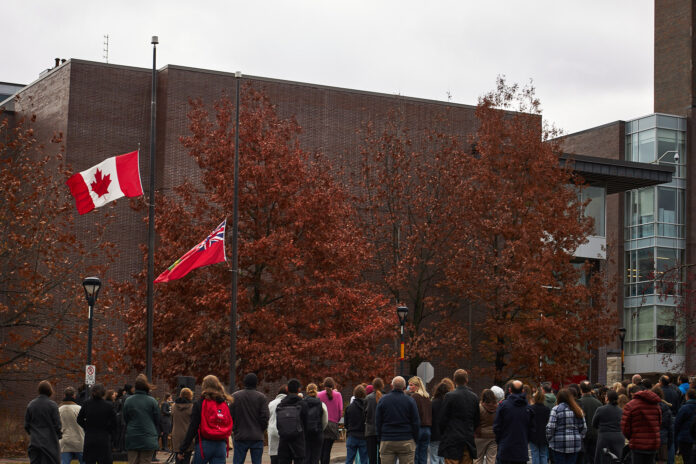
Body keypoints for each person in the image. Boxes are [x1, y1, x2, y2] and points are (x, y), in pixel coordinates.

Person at [178, 375, 234, 464]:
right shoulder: (224, 403)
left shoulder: (200, 403)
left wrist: (183, 449)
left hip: (204, 444)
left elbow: (193, 427)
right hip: (221, 444)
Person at [438, 369, 480, 464]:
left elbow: (442, 420)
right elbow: (477, 420)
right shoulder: (474, 397)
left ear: (454, 380)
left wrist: (445, 434)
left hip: (452, 440)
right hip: (467, 440)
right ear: (467, 380)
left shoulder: (449, 396)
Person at [375, 376, 420, 464]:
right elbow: (416, 422)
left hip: (387, 438)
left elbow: (378, 421)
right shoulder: (410, 401)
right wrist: (415, 438)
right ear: (404, 387)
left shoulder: (383, 400)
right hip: (406, 438)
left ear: (392, 386)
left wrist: (380, 437)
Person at [231, 373, 269, 464]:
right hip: (257, 436)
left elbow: (230, 415)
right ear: (256, 383)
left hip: (240, 435)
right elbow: (265, 417)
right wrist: (261, 430)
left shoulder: (235, 396)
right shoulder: (262, 397)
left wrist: (235, 429)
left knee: (238, 461)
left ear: (244, 383)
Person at [493, 380, 534, 464]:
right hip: (521, 450)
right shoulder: (528, 408)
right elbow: (532, 429)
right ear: (523, 390)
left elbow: (497, 427)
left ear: (510, 390)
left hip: (505, 448)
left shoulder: (503, 406)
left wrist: (500, 441)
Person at [122, 374, 161, 464]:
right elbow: (157, 419)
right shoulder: (152, 401)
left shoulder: (128, 401)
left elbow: (126, 418)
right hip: (148, 437)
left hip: (132, 437)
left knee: (132, 461)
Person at [621, 383, 662, 464]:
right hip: (653, 443)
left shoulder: (631, 405)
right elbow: (659, 423)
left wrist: (632, 437)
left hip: (637, 444)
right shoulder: (656, 405)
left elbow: (625, 426)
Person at [77, 384, 118, 464]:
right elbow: (114, 423)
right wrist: (108, 430)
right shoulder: (108, 406)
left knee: (90, 461)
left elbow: (79, 419)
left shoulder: (86, 404)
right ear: (103, 393)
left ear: (92, 392)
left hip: (90, 438)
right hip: (104, 438)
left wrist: (87, 427)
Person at [25, 380, 62, 464]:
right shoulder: (52, 405)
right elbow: (57, 425)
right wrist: (59, 435)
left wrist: (33, 433)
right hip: (50, 445)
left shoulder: (31, 405)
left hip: (35, 443)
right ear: (50, 390)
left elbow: (26, 425)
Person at [546, 388, 587, 464]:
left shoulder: (556, 409)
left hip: (558, 443)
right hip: (574, 443)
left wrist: (550, 438)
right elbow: (584, 428)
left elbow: (551, 427)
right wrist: (579, 437)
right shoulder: (578, 410)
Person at [276, 379, 309, 464]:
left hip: (284, 442)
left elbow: (278, 424)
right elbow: (306, 423)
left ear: (287, 389)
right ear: (299, 389)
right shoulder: (303, 404)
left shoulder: (280, 405)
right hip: (299, 442)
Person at [592, 390, 624, 464]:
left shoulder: (600, 409)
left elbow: (594, 423)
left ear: (607, 398)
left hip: (604, 436)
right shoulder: (621, 411)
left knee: (603, 458)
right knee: (617, 459)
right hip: (618, 436)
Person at [317, 378, 343, 464]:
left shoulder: (319, 395)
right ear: (333, 385)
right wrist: (336, 420)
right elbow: (340, 411)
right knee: (327, 450)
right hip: (332, 425)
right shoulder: (338, 395)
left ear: (324, 385)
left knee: (321, 448)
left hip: (322, 425)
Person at [408, 376, 432, 464]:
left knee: (415, 456)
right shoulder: (427, 397)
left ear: (417, 386)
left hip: (418, 429)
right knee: (423, 455)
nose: (409, 387)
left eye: (411, 385)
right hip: (427, 430)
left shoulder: (414, 397)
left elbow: (413, 415)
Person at [578, 381, 602, 464]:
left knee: (583, 458)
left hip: (583, 434)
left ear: (581, 390)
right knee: (593, 457)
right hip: (595, 433)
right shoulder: (598, 403)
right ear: (591, 389)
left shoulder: (578, 403)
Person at [303, 383, 328, 464]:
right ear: (316, 391)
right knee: (315, 458)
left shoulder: (302, 404)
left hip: (305, 434)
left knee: (306, 457)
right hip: (317, 433)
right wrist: (320, 429)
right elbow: (325, 421)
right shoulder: (322, 404)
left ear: (307, 391)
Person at [59, 387, 84, 464]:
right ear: (74, 396)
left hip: (64, 441)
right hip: (79, 440)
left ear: (64, 395)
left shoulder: (59, 409)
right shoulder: (79, 409)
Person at [431, 379, 454, 464]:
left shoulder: (433, 403)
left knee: (434, 458)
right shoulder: (449, 403)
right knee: (443, 459)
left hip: (434, 434)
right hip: (446, 434)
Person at [345, 385, 368, 464]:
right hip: (363, 436)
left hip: (352, 435)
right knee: (364, 460)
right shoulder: (366, 407)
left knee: (349, 460)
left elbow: (346, 424)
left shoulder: (349, 408)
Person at [474, 389, 498, 464]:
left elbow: (475, 421)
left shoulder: (479, 407)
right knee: (491, 459)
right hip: (493, 436)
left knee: (477, 458)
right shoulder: (497, 408)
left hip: (480, 436)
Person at [171, 388, 194, 464]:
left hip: (176, 435)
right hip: (187, 435)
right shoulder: (192, 407)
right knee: (186, 459)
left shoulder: (173, 406)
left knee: (178, 459)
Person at [366, 377, 385, 464]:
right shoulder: (385, 398)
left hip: (370, 431)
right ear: (382, 386)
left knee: (371, 458)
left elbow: (364, 414)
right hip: (382, 430)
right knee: (382, 457)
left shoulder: (368, 398)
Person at [652, 386, 673, 464]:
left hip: (651, 438)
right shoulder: (666, 408)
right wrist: (670, 441)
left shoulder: (648, 407)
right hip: (663, 438)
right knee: (662, 460)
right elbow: (670, 427)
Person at [674, 389, 696, 464]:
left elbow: (677, 423)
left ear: (687, 397)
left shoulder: (684, 408)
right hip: (693, 437)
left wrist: (675, 435)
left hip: (685, 437)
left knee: (686, 459)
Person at [529, 389, 551, 464]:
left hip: (533, 434)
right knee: (543, 454)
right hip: (544, 434)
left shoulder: (531, 408)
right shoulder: (547, 409)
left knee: (534, 454)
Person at [269, 385, 289, 464]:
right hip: (286, 437)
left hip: (273, 437)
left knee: (274, 459)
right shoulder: (289, 403)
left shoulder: (271, 404)